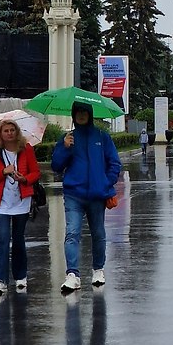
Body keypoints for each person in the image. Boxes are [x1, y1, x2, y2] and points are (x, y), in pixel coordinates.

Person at [51, 103, 122, 293]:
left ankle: (98, 270)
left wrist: (106, 183)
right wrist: (64, 148)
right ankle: (72, 274)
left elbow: (114, 163)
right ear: (74, 115)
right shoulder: (68, 138)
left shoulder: (102, 137)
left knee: (98, 233)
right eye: (78, 113)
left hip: (97, 196)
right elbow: (56, 166)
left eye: (84, 112)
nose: (81, 115)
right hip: (74, 194)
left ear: (90, 115)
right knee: (72, 233)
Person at [0, 120, 41, 297]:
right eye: (5, 131)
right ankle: (0, 280)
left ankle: (21, 277)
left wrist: (24, 179)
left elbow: (35, 172)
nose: (9, 133)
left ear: (17, 132)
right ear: (0, 134)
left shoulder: (27, 149)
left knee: (18, 239)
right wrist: (3, 172)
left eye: (12, 130)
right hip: (1, 204)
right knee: (3, 238)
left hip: (21, 202)